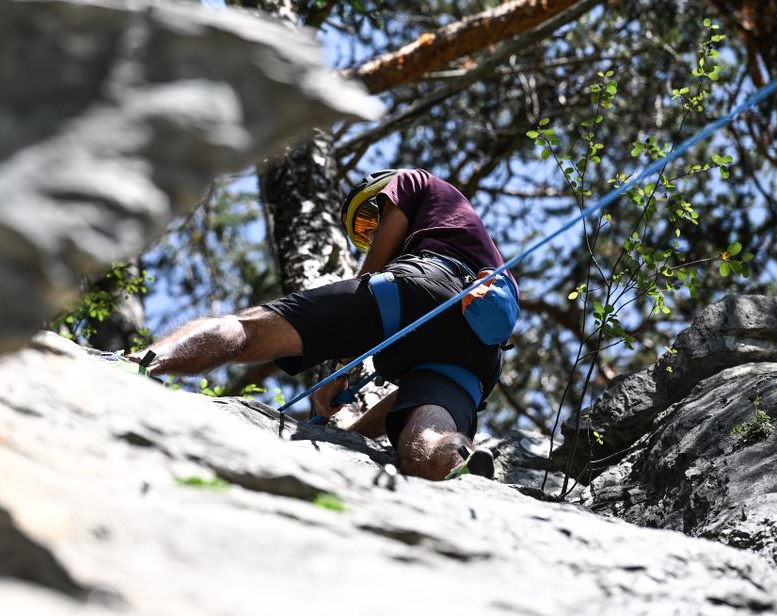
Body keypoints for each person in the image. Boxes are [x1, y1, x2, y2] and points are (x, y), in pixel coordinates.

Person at [138, 169, 518, 481]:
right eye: (363, 233)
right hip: (480, 352)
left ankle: (138, 363)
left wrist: (345, 363)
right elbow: (405, 402)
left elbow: (375, 270)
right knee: (426, 437)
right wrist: (345, 439)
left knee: (249, 328)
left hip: (422, 285)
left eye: (369, 219)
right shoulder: (486, 263)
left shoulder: (413, 181)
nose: (371, 233)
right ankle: (454, 461)